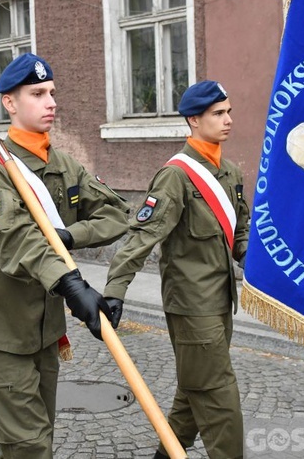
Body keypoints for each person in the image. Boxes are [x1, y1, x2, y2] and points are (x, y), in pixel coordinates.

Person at [0, 53, 131, 458]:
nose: (51, 102)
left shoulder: (63, 165)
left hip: (44, 329)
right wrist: (71, 284)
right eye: (37, 93)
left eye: (52, 93)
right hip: (3, 329)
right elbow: (15, 237)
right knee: (29, 447)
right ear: (9, 103)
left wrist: (69, 236)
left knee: (42, 438)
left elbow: (117, 214)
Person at [105, 80, 249, 459]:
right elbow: (143, 235)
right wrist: (115, 289)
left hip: (221, 303)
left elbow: (241, 234)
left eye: (229, 111)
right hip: (191, 308)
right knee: (219, 398)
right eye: (218, 114)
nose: (228, 120)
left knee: (194, 387)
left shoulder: (230, 173)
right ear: (193, 120)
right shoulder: (176, 176)